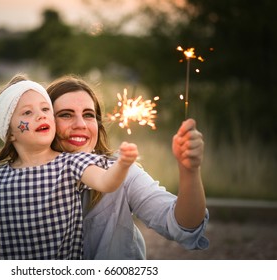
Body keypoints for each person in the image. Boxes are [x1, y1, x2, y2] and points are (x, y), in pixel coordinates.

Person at [0, 74, 138, 259]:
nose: (41, 115)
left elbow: (105, 182)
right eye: (27, 112)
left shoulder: (70, 163)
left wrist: (122, 164)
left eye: (45, 109)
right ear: (9, 133)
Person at [46, 75, 209, 259]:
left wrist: (190, 170)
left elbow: (181, 226)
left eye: (88, 115)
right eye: (65, 115)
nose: (81, 125)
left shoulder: (120, 171)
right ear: (45, 123)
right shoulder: (21, 181)